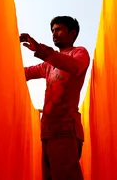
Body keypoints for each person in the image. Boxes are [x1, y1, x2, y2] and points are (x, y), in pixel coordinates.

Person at [21, 16, 90, 180]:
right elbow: (23, 72)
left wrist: (42, 50)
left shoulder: (79, 53)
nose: (54, 34)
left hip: (65, 129)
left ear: (72, 33)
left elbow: (74, 66)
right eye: (52, 30)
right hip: (47, 131)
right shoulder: (48, 64)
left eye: (58, 29)